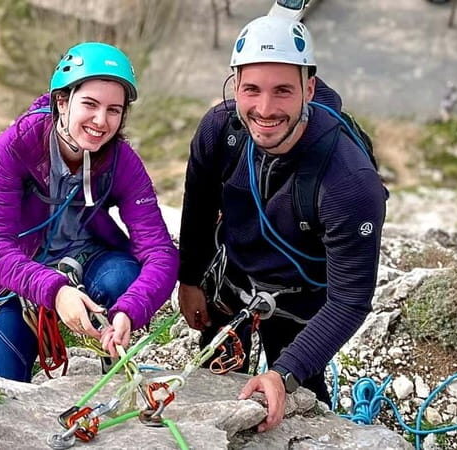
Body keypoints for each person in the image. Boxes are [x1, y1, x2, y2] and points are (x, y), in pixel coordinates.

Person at [178, 16, 387, 432]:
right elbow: (198, 207)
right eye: (251, 89)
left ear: (309, 89)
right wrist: (190, 279)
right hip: (231, 278)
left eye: (283, 91)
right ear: (235, 85)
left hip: (303, 301)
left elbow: (349, 300)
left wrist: (285, 372)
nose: (266, 108)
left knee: (302, 406)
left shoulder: (348, 182)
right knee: (217, 386)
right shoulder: (220, 130)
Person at [0, 42, 179, 382]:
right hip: (21, 267)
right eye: (90, 104)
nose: (101, 121)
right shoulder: (16, 146)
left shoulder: (121, 161)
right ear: (62, 101)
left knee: (122, 279)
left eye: (114, 110)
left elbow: (160, 252)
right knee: (3, 379)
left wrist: (130, 311)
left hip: (88, 257)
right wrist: (55, 291)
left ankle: (111, 362)